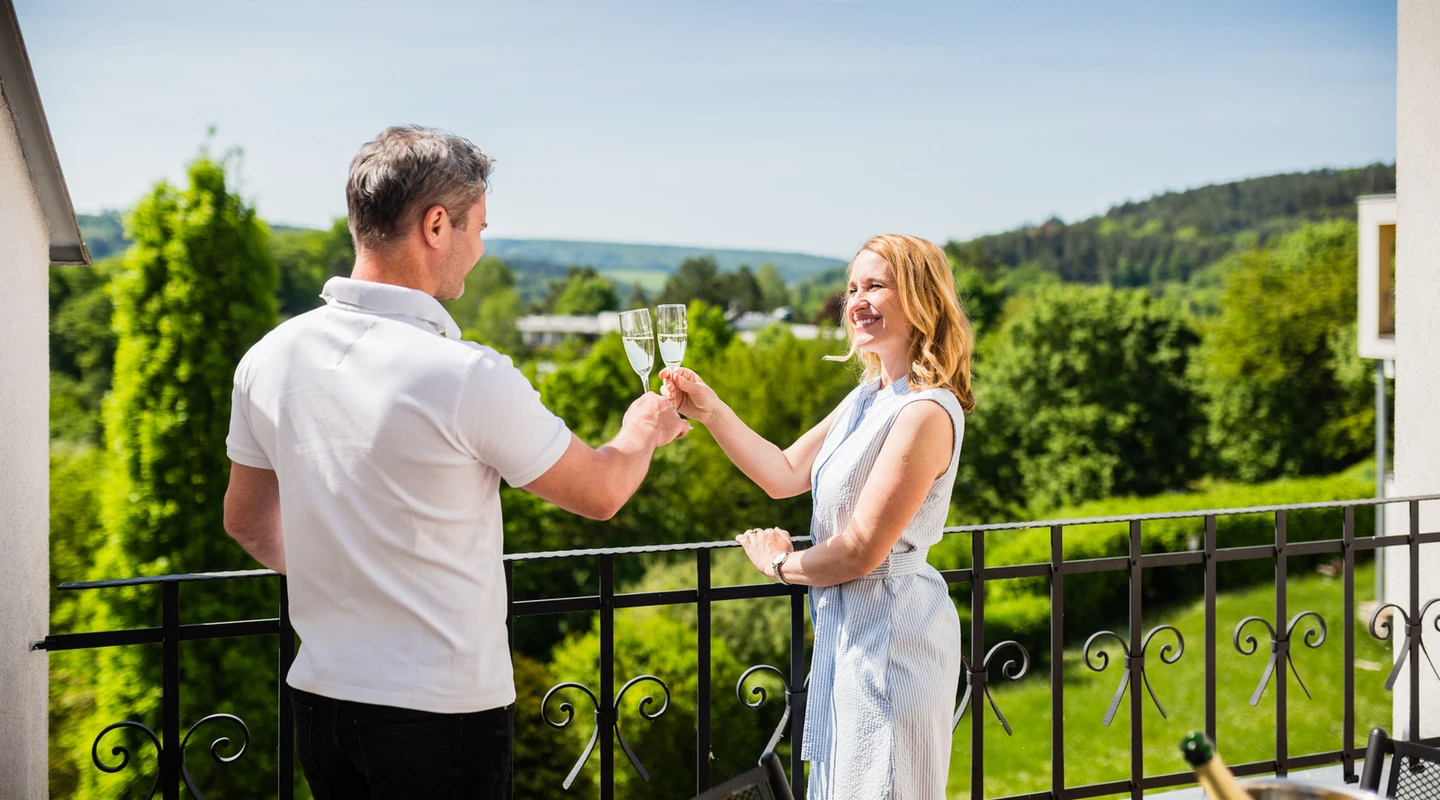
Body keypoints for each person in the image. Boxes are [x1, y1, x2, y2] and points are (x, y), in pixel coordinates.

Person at [222, 125, 688, 800]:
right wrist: (642, 428)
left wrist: (351, 572)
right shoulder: (465, 374)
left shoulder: (268, 357)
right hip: (440, 717)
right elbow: (601, 491)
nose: (481, 249)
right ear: (436, 225)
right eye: (479, 228)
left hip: (320, 703)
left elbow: (246, 522)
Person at [662, 233, 973, 800]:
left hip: (895, 644)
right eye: (852, 288)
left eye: (875, 285)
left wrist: (781, 564)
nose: (857, 300)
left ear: (921, 298)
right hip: (848, 640)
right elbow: (783, 473)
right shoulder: (869, 397)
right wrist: (710, 410)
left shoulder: (924, 411)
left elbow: (859, 551)